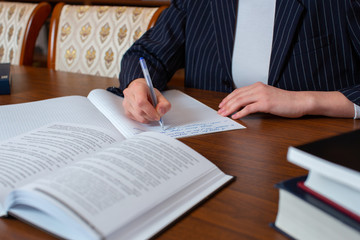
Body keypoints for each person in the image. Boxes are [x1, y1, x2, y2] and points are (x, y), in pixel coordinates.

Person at [114, 0, 360, 124]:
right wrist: (137, 83)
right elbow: (146, 53)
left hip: (309, 153)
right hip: (207, 150)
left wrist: (305, 100)